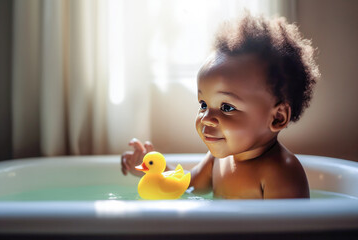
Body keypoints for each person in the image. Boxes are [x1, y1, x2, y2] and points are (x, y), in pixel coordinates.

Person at [121, 12, 320, 199]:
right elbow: (187, 186)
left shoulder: (281, 173)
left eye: (227, 107)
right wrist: (154, 170)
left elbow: (291, 231)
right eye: (203, 104)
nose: (206, 117)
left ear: (278, 117)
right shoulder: (218, 159)